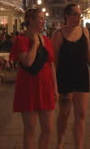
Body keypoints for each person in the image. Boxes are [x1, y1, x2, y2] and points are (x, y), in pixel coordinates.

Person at [51, 4, 90, 149]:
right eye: (75, 14)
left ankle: (79, 145)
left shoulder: (85, 31)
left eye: (80, 14)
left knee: (82, 114)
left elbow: (88, 55)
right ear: (67, 15)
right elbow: (54, 61)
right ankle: (60, 142)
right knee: (64, 114)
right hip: (64, 76)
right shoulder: (58, 34)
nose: (79, 17)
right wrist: (53, 83)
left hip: (81, 75)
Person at [10, 8, 57, 149]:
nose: (43, 21)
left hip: (46, 87)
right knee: (30, 129)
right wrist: (35, 44)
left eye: (43, 18)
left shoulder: (47, 40)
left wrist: (56, 88)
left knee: (48, 129)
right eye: (40, 18)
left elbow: (51, 64)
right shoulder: (21, 40)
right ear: (31, 20)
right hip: (28, 87)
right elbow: (28, 62)